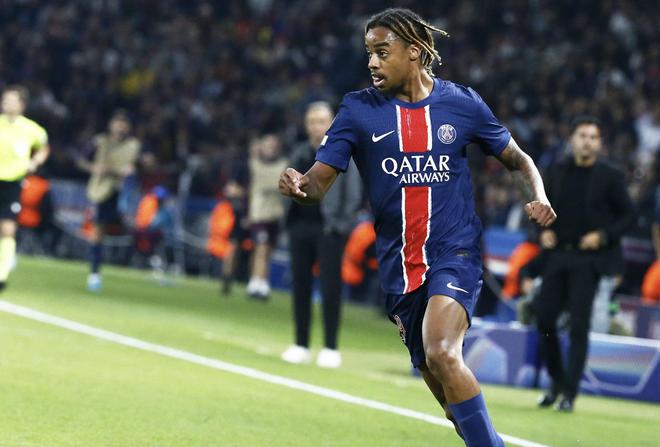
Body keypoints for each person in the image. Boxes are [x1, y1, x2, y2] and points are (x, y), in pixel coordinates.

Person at [279, 8, 555, 446]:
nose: (372, 62)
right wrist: (299, 186)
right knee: (450, 401)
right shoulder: (358, 110)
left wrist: (538, 195)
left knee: (443, 351)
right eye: (369, 53)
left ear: (414, 51)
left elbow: (518, 159)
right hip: (400, 268)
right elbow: (318, 184)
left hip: (454, 251)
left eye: (382, 52)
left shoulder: (461, 103)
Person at [535, 116, 635, 412]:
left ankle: (569, 393)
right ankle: (556, 381)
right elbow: (539, 207)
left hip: (588, 260)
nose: (587, 141)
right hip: (557, 256)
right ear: (572, 140)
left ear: (600, 143)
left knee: (579, 327)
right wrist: (543, 231)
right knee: (544, 320)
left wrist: (603, 236)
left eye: (593, 137)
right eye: (582, 135)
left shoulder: (610, 176)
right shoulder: (556, 171)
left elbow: (630, 215)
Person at [280, 102, 362, 368]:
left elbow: (353, 194)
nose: (316, 126)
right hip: (300, 227)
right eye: (312, 121)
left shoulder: (342, 152)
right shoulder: (299, 153)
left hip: (329, 230)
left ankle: (330, 347)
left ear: (331, 123)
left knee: (330, 288)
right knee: (300, 286)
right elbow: (285, 185)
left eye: (321, 121)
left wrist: (340, 225)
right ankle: (300, 344)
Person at [77, 110, 141, 292]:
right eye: (117, 123)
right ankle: (94, 273)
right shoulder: (100, 142)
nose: (120, 127)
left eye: (124, 124)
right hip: (103, 191)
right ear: (111, 125)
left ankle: (140, 266)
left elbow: (147, 163)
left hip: (125, 193)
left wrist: (138, 167)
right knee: (98, 231)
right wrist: (93, 168)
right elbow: (80, 159)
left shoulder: (134, 146)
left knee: (134, 230)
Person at [0, 85, 50, 291]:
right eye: (5, 100)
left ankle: (2, 274)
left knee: (8, 228)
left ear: (21, 104)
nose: (6, 103)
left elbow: (44, 148)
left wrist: (35, 162)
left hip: (12, 183)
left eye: (11, 100)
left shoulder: (32, 129)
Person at [246, 134, 287, 300]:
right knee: (261, 248)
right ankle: (259, 284)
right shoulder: (253, 165)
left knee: (267, 251)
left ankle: (256, 280)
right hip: (259, 214)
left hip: (275, 214)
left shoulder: (283, 165)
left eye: (273, 145)